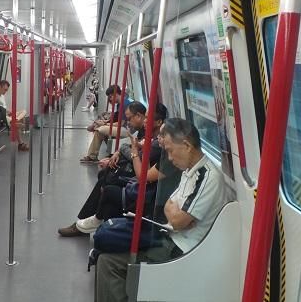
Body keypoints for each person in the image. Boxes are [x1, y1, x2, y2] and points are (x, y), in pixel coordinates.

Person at [94, 118, 231, 302]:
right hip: (170, 238)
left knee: (109, 263)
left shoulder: (207, 177)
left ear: (186, 145)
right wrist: (175, 213)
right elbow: (169, 205)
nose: (170, 158)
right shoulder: (189, 172)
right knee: (106, 254)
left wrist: (176, 214)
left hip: (180, 250)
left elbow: (177, 220)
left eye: (171, 151)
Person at [59, 103, 168, 237]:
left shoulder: (157, 144)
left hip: (140, 181)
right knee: (105, 175)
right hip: (136, 171)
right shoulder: (148, 133)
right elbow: (135, 146)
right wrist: (120, 152)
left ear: (158, 122)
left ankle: (89, 222)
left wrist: (125, 150)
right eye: (145, 118)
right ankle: (94, 222)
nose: (145, 121)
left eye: (147, 118)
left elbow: (137, 156)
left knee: (108, 180)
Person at [79, 85, 133, 163]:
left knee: (101, 129)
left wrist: (105, 125)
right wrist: (105, 123)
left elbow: (121, 123)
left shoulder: (125, 104)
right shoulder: (120, 104)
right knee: (100, 131)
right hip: (123, 128)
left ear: (116, 94)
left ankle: (92, 155)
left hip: (127, 130)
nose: (110, 99)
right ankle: (92, 156)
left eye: (111, 97)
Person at [0, 80, 29, 151]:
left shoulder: (2, 96)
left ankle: (15, 120)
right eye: (5, 90)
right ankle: (20, 143)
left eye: (6, 90)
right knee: (14, 126)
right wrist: (0, 108)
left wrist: (10, 112)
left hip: (5, 116)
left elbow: (5, 109)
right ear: (0, 87)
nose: (5, 92)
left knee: (24, 111)